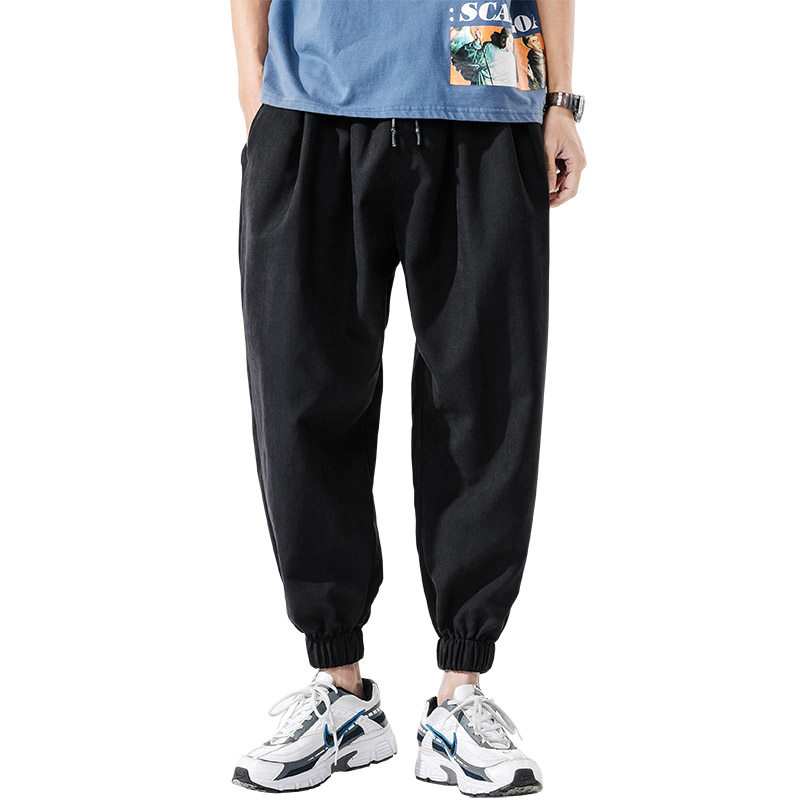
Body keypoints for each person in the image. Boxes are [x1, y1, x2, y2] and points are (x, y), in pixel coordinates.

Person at [230, 0, 586, 795]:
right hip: (313, 95)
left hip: (483, 80)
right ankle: (339, 687)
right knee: (299, 394)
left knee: (485, 402)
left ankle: (462, 691)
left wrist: (560, 100)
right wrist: (255, 90)